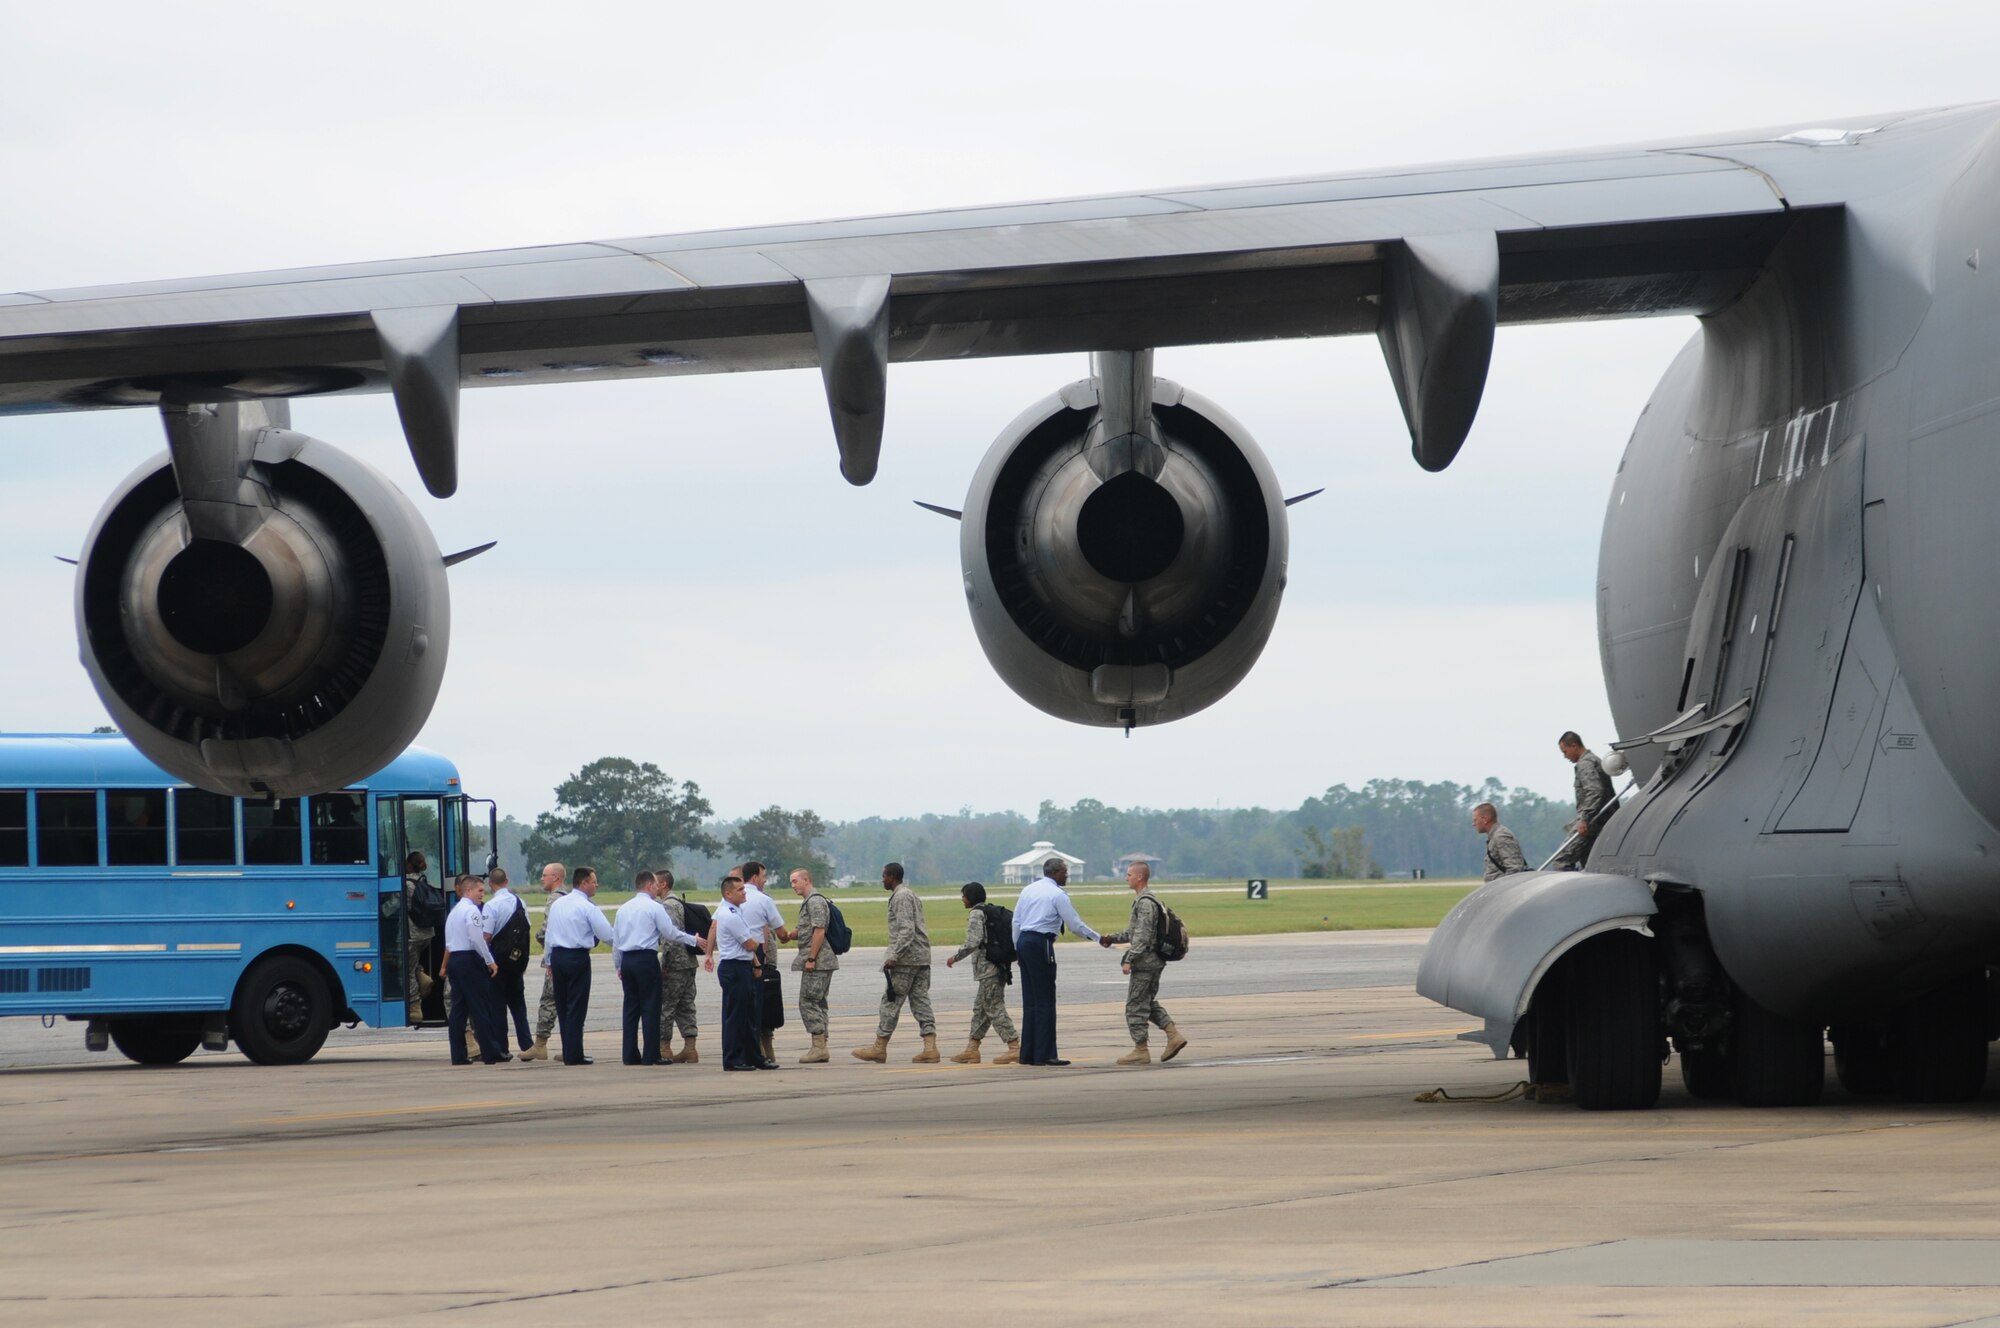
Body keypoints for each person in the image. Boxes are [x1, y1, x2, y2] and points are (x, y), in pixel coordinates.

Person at [1011, 857, 1100, 1066]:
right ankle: (1045, 1054)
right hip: (1041, 942)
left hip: (1024, 941)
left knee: (1030, 1000)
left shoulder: (1028, 889)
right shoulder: (1057, 894)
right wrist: (1098, 938)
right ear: (1055, 873)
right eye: (1064, 871)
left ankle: (1028, 1054)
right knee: (1045, 1000)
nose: (1067, 875)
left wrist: (1017, 950)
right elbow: (1075, 925)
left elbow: (1016, 920)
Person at [613, 870, 706, 1066]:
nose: (658, 888)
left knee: (630, 1008)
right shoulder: (654, 907)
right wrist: (694, 940)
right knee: (650, 1007)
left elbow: (616, 941)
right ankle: (651, 1054)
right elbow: (671, 933)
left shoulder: (623, 909)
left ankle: (629, 1055)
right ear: (648, 886)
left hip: (628, 960)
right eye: (655, 885)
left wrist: (619, 965)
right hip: (646, 960)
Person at [1097, 861, 1186, 1065]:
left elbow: (1143, 937)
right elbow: (1133, 933)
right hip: (1153, 960)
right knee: (1146, 1002)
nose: (1126, 877)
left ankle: (1141, 1050)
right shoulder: (1147, 900)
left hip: (1146, 962)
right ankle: (1173, 1035)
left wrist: (1129, 959)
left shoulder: (1145, 902)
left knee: (1134, 1006)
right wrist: (1112, 938)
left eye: (1129, 874)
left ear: (1139, 877)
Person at [852, 862, 938, 1064]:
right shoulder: (909, 894)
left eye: (884, 876)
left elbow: (906, 930)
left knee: (890, 1003)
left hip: (906, 960)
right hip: (921, 958)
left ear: (892, 876)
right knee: (921, 1002)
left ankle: (879, 1047)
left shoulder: (901, 897)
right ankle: (930, 1047)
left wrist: (894, 956)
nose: (883, 880)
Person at [543, 865, 612, 1065]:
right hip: (576, 957)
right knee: (576, 1007)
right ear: (583, 883)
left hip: (557, 956)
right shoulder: (588, 907)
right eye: (593, 881)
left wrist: (548, 960)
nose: (596, 885)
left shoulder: (558, 904)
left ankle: (569, 1051)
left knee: (563, 1005)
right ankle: (574, 1055)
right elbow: (607, 935)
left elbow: (549, 934)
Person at [944, 881, 1018, 1065]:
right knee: (980, 1010)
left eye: (963, 896)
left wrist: (956, 957)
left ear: (969, 897)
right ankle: (972, 1049)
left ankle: (1015, 1046)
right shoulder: (989, 911)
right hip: (996, 967)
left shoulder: (977, 914)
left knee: (994, 1007)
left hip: (988, 970)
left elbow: (973, 941)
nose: (962, 900)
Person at [441, 874, 509, 1065]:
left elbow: (449, 942)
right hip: (469, 960)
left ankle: (458, 1054)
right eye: (480, 890)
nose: (483, 894)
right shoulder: (472, 911)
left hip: (455, 959)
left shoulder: (454, 912)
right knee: (481, 1007)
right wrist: (490, 961)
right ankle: (491, 1052)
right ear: (468, 891)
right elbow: (477, 938)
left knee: (458, 1009)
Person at [709, 876, 774, 1071]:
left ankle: (753, 1056)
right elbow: (750, 944)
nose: (744, 892)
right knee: (735, 1017)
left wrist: (755, 964)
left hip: (743, 965)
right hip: (734, 968)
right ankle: (733, 1059)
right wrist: (755, 944)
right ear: (728, 894)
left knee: (749, 1016)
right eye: (740, 890)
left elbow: (750, 948)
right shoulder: (729, 915)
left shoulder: (737, 911)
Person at [738, 861, 793, 1064]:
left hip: (735, 959)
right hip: (759, 956)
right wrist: (792, 935)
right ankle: (760, 1050)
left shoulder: (732, 902)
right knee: (759, 1003)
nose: (765, 879)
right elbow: (780, 933)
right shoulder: (763, 899)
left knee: (739, 1005)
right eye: (763, 875)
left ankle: (744, 1051)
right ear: (754, 877)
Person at [519, 861, 567, 1062]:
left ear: (556, 877)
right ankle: (572, 1044)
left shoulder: (553, 900)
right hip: (571, 956)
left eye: (545, 875)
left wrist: (540, 943)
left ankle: (540, 1045)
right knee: (569, 1003)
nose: (542, 878)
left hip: (555, 958)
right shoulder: (568, 898)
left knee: (549, 1001)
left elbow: (545, 931)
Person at [483, 867, 534, 1052]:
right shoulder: (520, 902)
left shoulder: (491, 905)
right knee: (518, 1004)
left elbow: (486, 936)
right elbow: (527, 927)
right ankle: (527, 1044)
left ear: (491, 884)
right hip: (516, 960)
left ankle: (501, 1047)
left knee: (497, 1006)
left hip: (497, 960)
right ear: (507, 881)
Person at [790, 867, 837, 1064]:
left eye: (795, 881)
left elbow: (819, 931)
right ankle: (821, 1044)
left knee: (808, 1002)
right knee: (818, 1002)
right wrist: (789, 934)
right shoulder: (810, 902)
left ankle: (819, 1046)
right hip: (821, 960)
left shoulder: (815, 901)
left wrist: (811, 958)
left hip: (818, 962)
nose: (792, 886)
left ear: (806, 880)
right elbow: (806, 929)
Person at [1553, 732, 1617, 870]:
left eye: (1565, 751)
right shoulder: (1595, 760)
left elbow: (1595, 791)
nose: (1565, 756)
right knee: (1589, 866)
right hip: (1600, 824)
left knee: (1561, 861)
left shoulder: (1585, 764)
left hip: (1591, 825)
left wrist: (1584, 819)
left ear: (1574, 746)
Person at [656, 870, 702, 1063]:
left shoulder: (668, 905)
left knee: (667, 1006)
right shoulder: (679, 903)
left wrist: (664, 963)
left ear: (664, 884)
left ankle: (664, 1047)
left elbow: (670, 936)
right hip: (689, 961)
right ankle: (690, 1048)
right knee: (687, 1005)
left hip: (675, 963)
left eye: (655, 883)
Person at [403, 850, 437, 1024]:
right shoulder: (425, 882)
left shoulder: (406, 885)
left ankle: (415, 1007)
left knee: (406, 970)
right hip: (427, 934)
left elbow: (393, 906)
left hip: (412, 935)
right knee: (412, 963)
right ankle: (422, 977)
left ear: (409, 864)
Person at [1472, 803, 1529, 881]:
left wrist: (1504, 890)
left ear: (1485, 819)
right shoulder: (1494, 836)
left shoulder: (1501, 836)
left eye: (1475, 820)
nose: (1473, 824)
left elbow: (1514, 869)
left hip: (1504, 890)